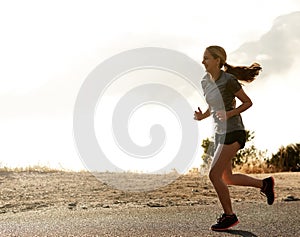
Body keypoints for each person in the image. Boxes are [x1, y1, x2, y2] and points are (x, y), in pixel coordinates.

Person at [194, 45, 275, 231]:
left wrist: (230, 114)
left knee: (214, 175)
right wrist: (202, 116)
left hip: (233, 131)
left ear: (217, 60)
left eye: (206, 58)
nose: (203, 61)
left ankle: (229, 216)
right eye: (203, 58)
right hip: (219, 133)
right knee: (227, 177)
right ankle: (265, 184)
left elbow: (247, 102)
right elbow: (213, 106)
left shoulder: (229, 80)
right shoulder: (205, 81)